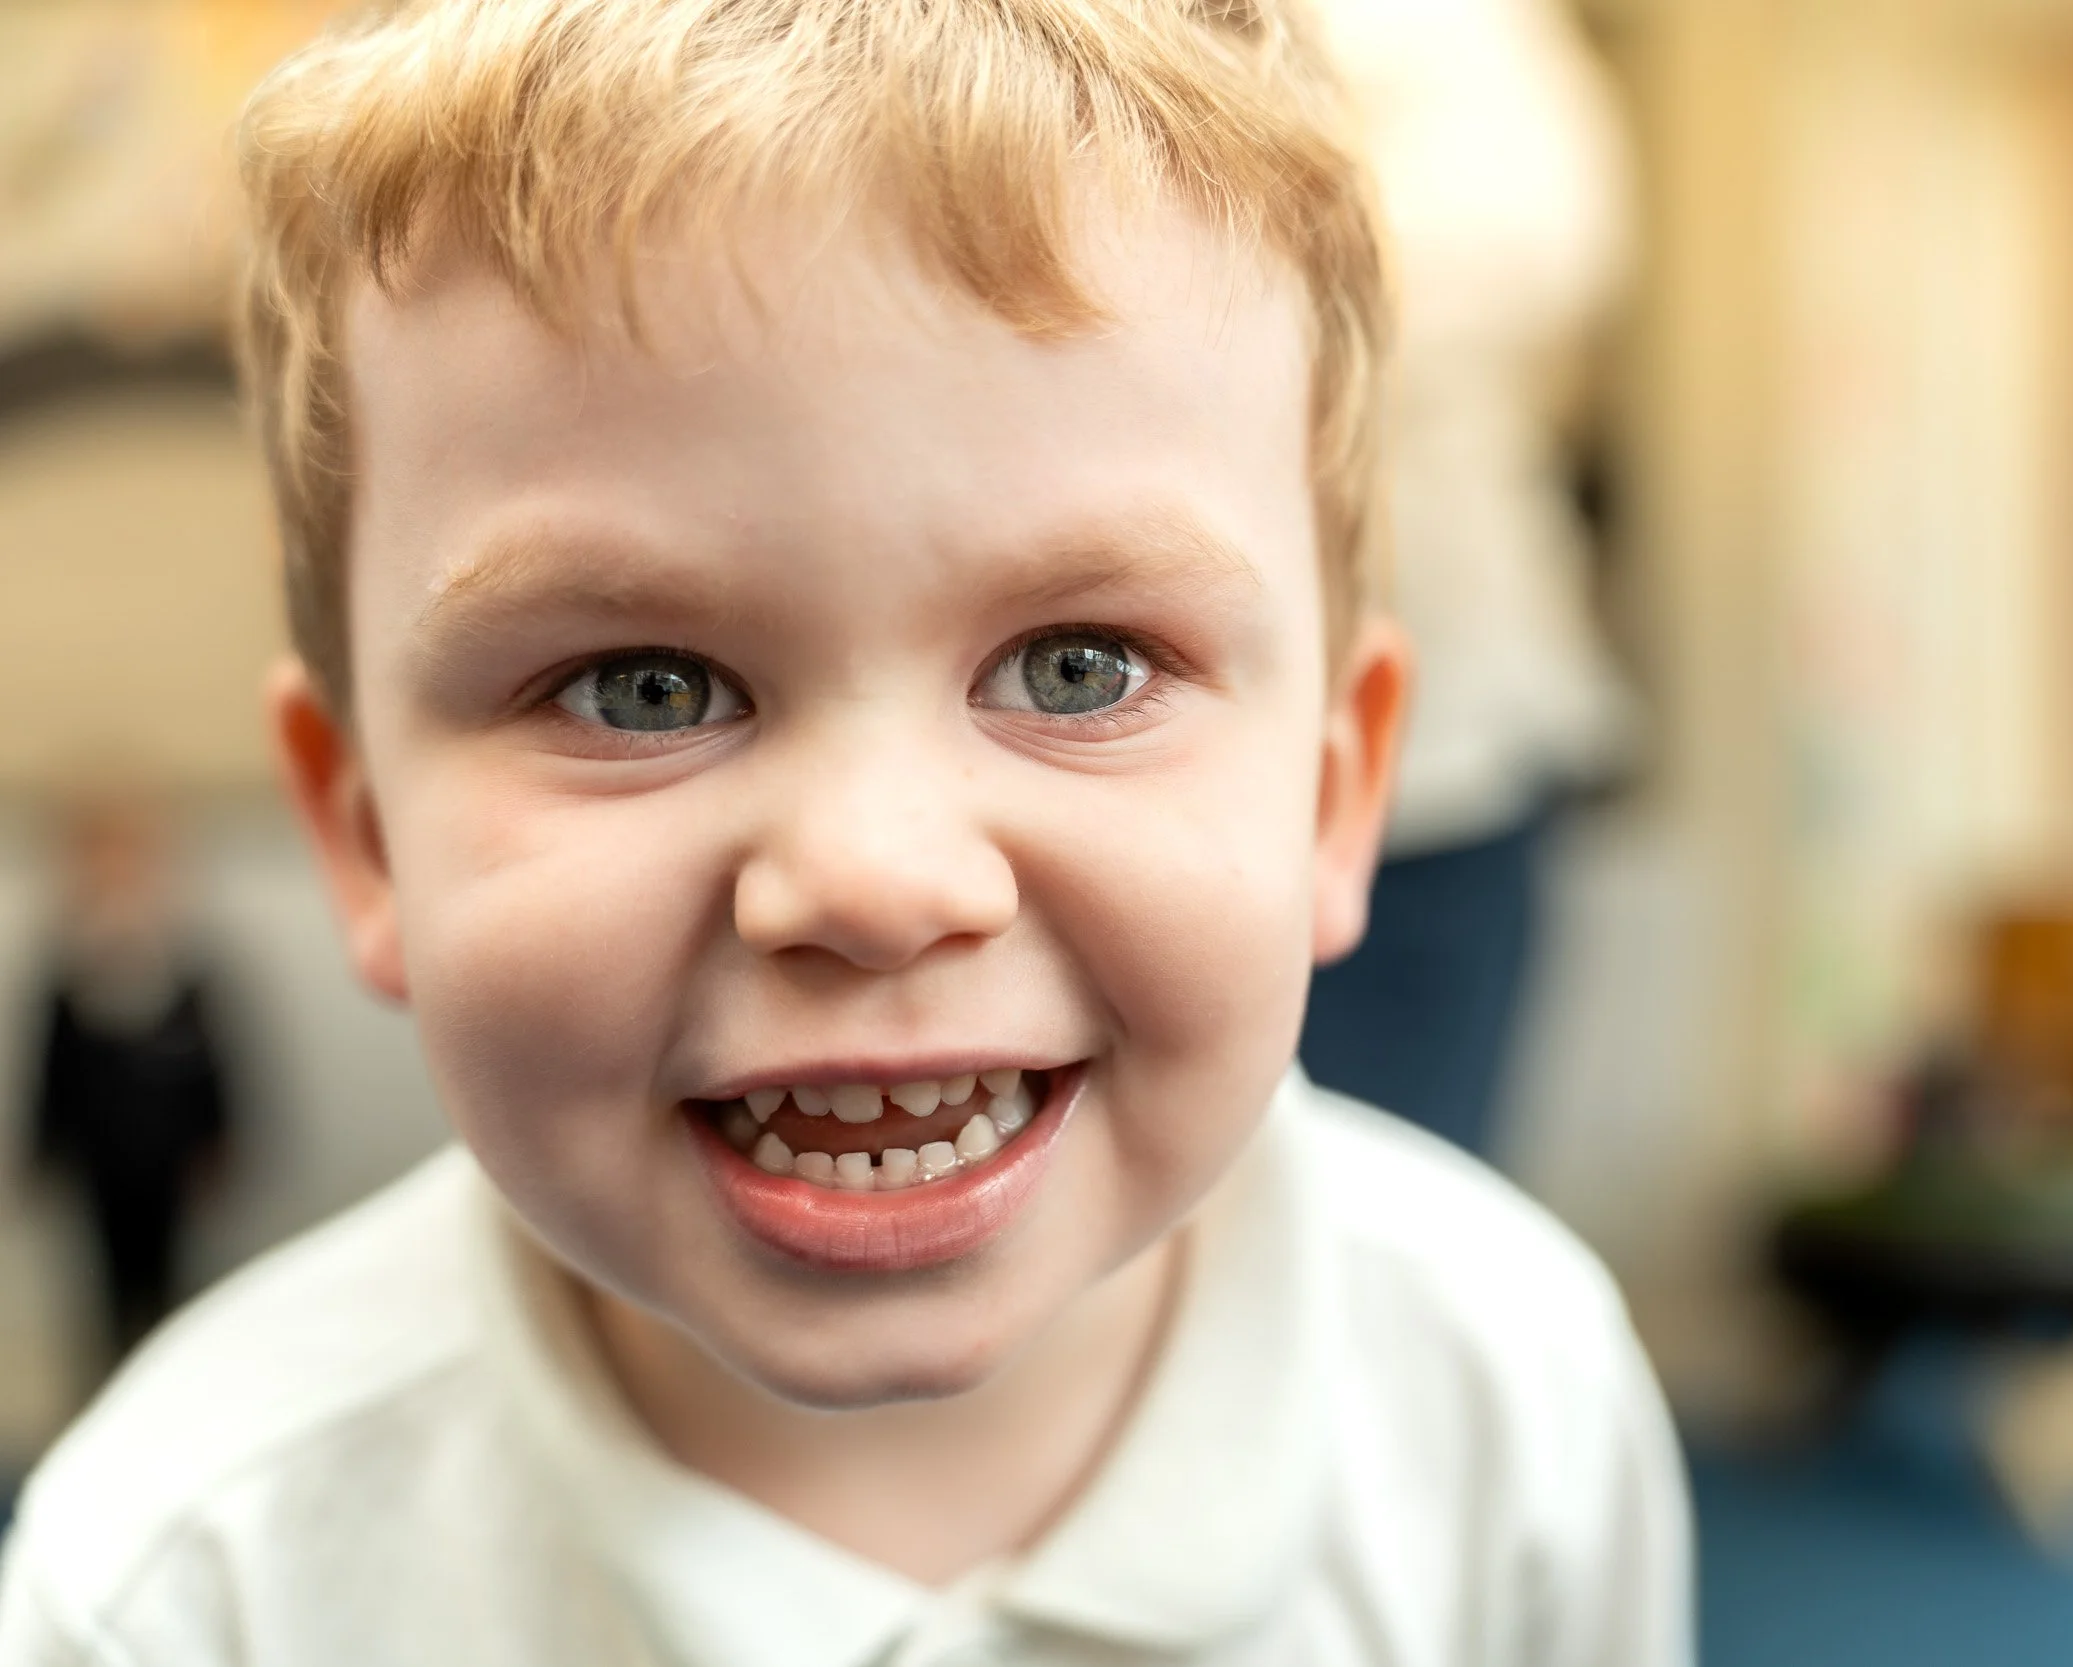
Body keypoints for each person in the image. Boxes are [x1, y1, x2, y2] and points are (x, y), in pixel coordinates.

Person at [0, 2, 1691, 1662]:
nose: (877, 882)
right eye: (645, 687)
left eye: (1078, 666)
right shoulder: (183, 1585)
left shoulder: (1507, 1405)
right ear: (362, 834)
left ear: (1335, 793)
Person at [1296, 0, 1637, 1158]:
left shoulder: (1456, 37)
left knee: (1406, 1208)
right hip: (1106, 745)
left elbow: (1533, 242)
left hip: (1441, 783)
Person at [25, 789, 231, 1365]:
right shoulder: (68, 967)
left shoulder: (185, 962)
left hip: (168, 1152)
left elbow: (215, 1062)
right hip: (98, 1153)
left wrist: (220, 1135)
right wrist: (40, 1149)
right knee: (104, 1288)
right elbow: (51, 1067)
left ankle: (166, 1375)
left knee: (170, 1278)